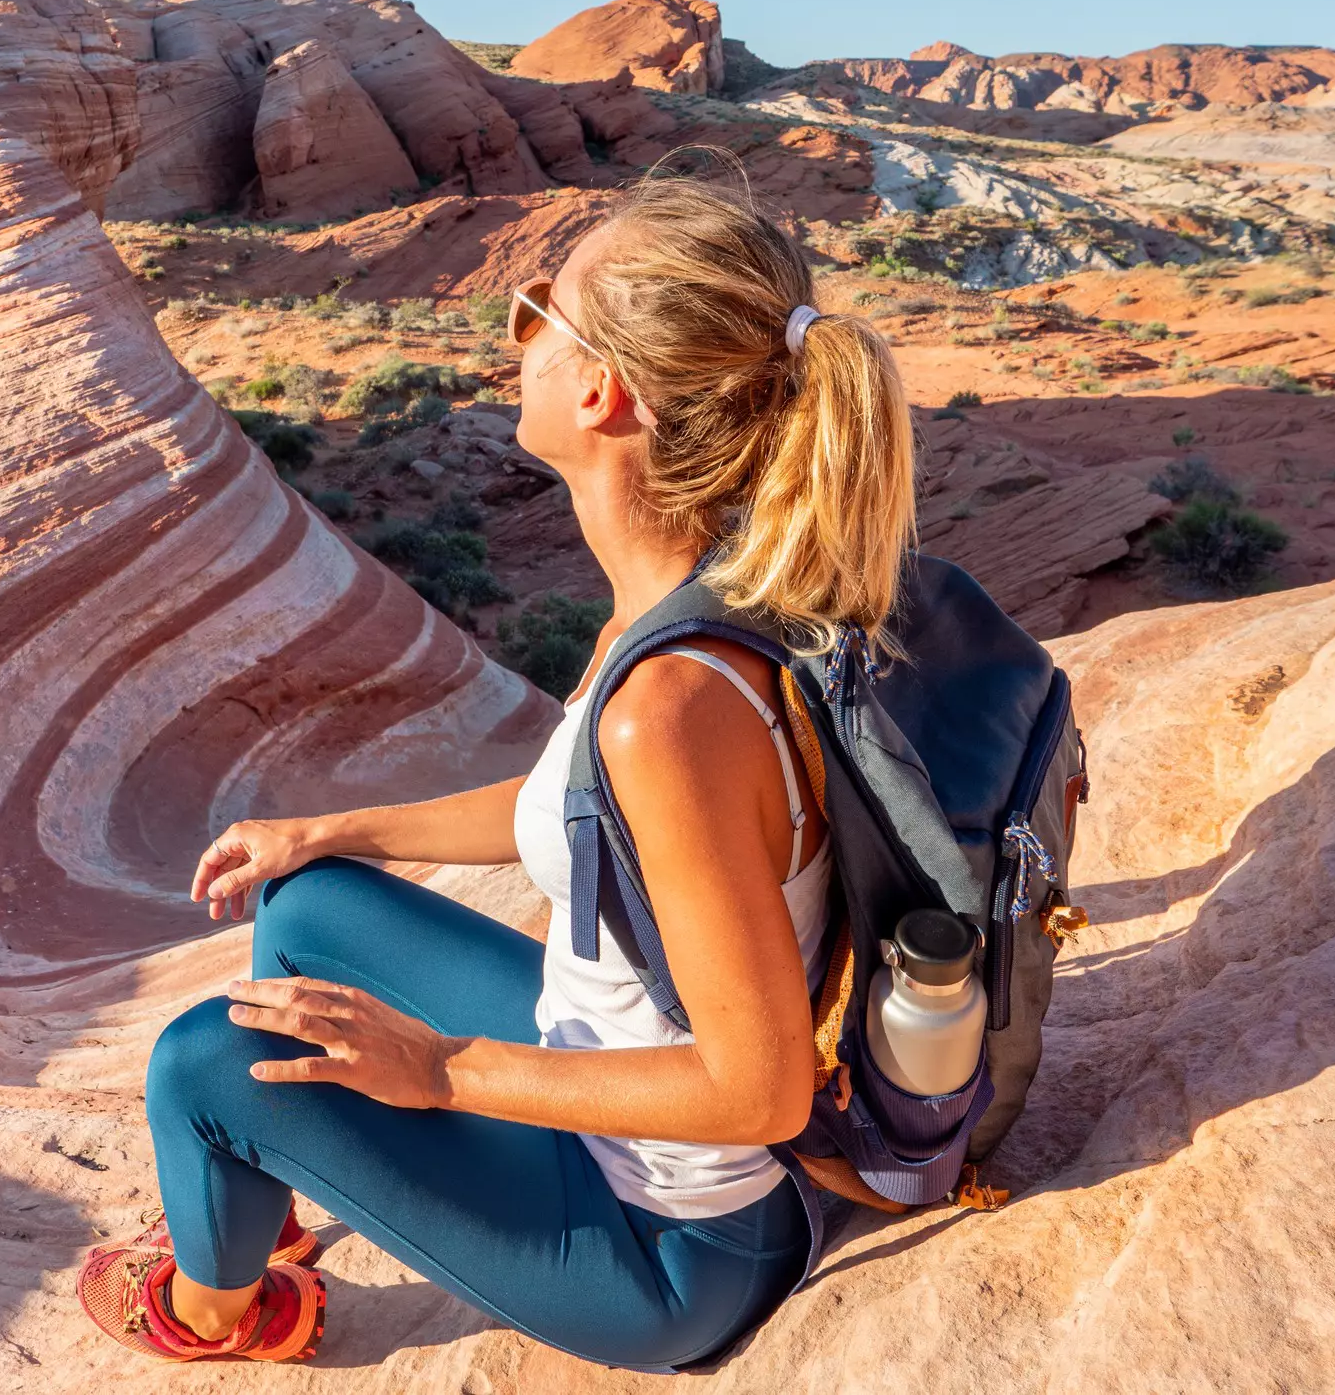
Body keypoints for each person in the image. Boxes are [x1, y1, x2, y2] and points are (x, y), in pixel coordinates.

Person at [75, 176, 915, 1369]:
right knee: (314, 903)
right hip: (607, 1087)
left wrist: (442, 1071)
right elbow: (576, 818)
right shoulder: (700, 597)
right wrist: (335, 829)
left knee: (199, 1060)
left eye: (536, 313)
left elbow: (762, 1087)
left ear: (599, 389)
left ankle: (221, 1310)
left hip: (675, 1238)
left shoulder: (670, 707)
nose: (512, 336)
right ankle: (282, 1185)